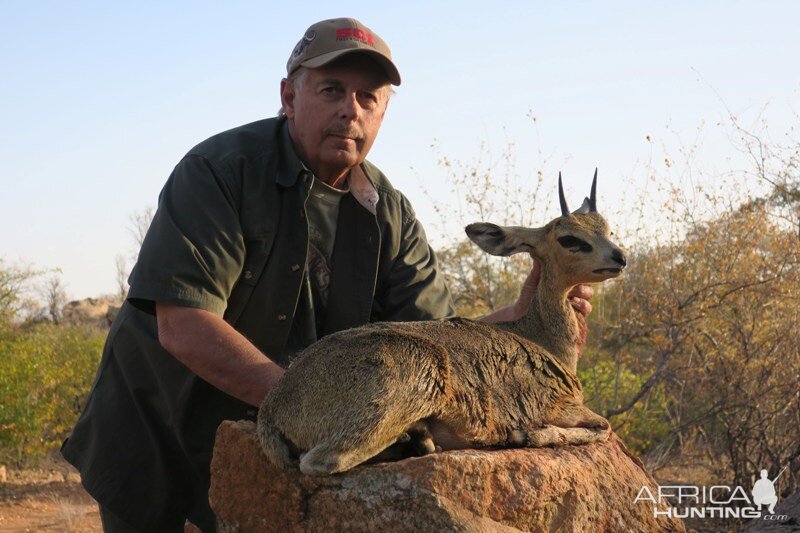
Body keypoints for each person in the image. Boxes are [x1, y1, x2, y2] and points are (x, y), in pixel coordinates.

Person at [61, 17, 594, 532]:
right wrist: (315, 408)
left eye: (369, 98)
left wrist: (531, 312)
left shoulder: (391, 214)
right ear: (289, 97)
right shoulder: (219, 172)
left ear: (384, 112)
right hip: (160, 434)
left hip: (288, 439)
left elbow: (439, 345)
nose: (350, 111)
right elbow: (183, 323)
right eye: (332, 90)